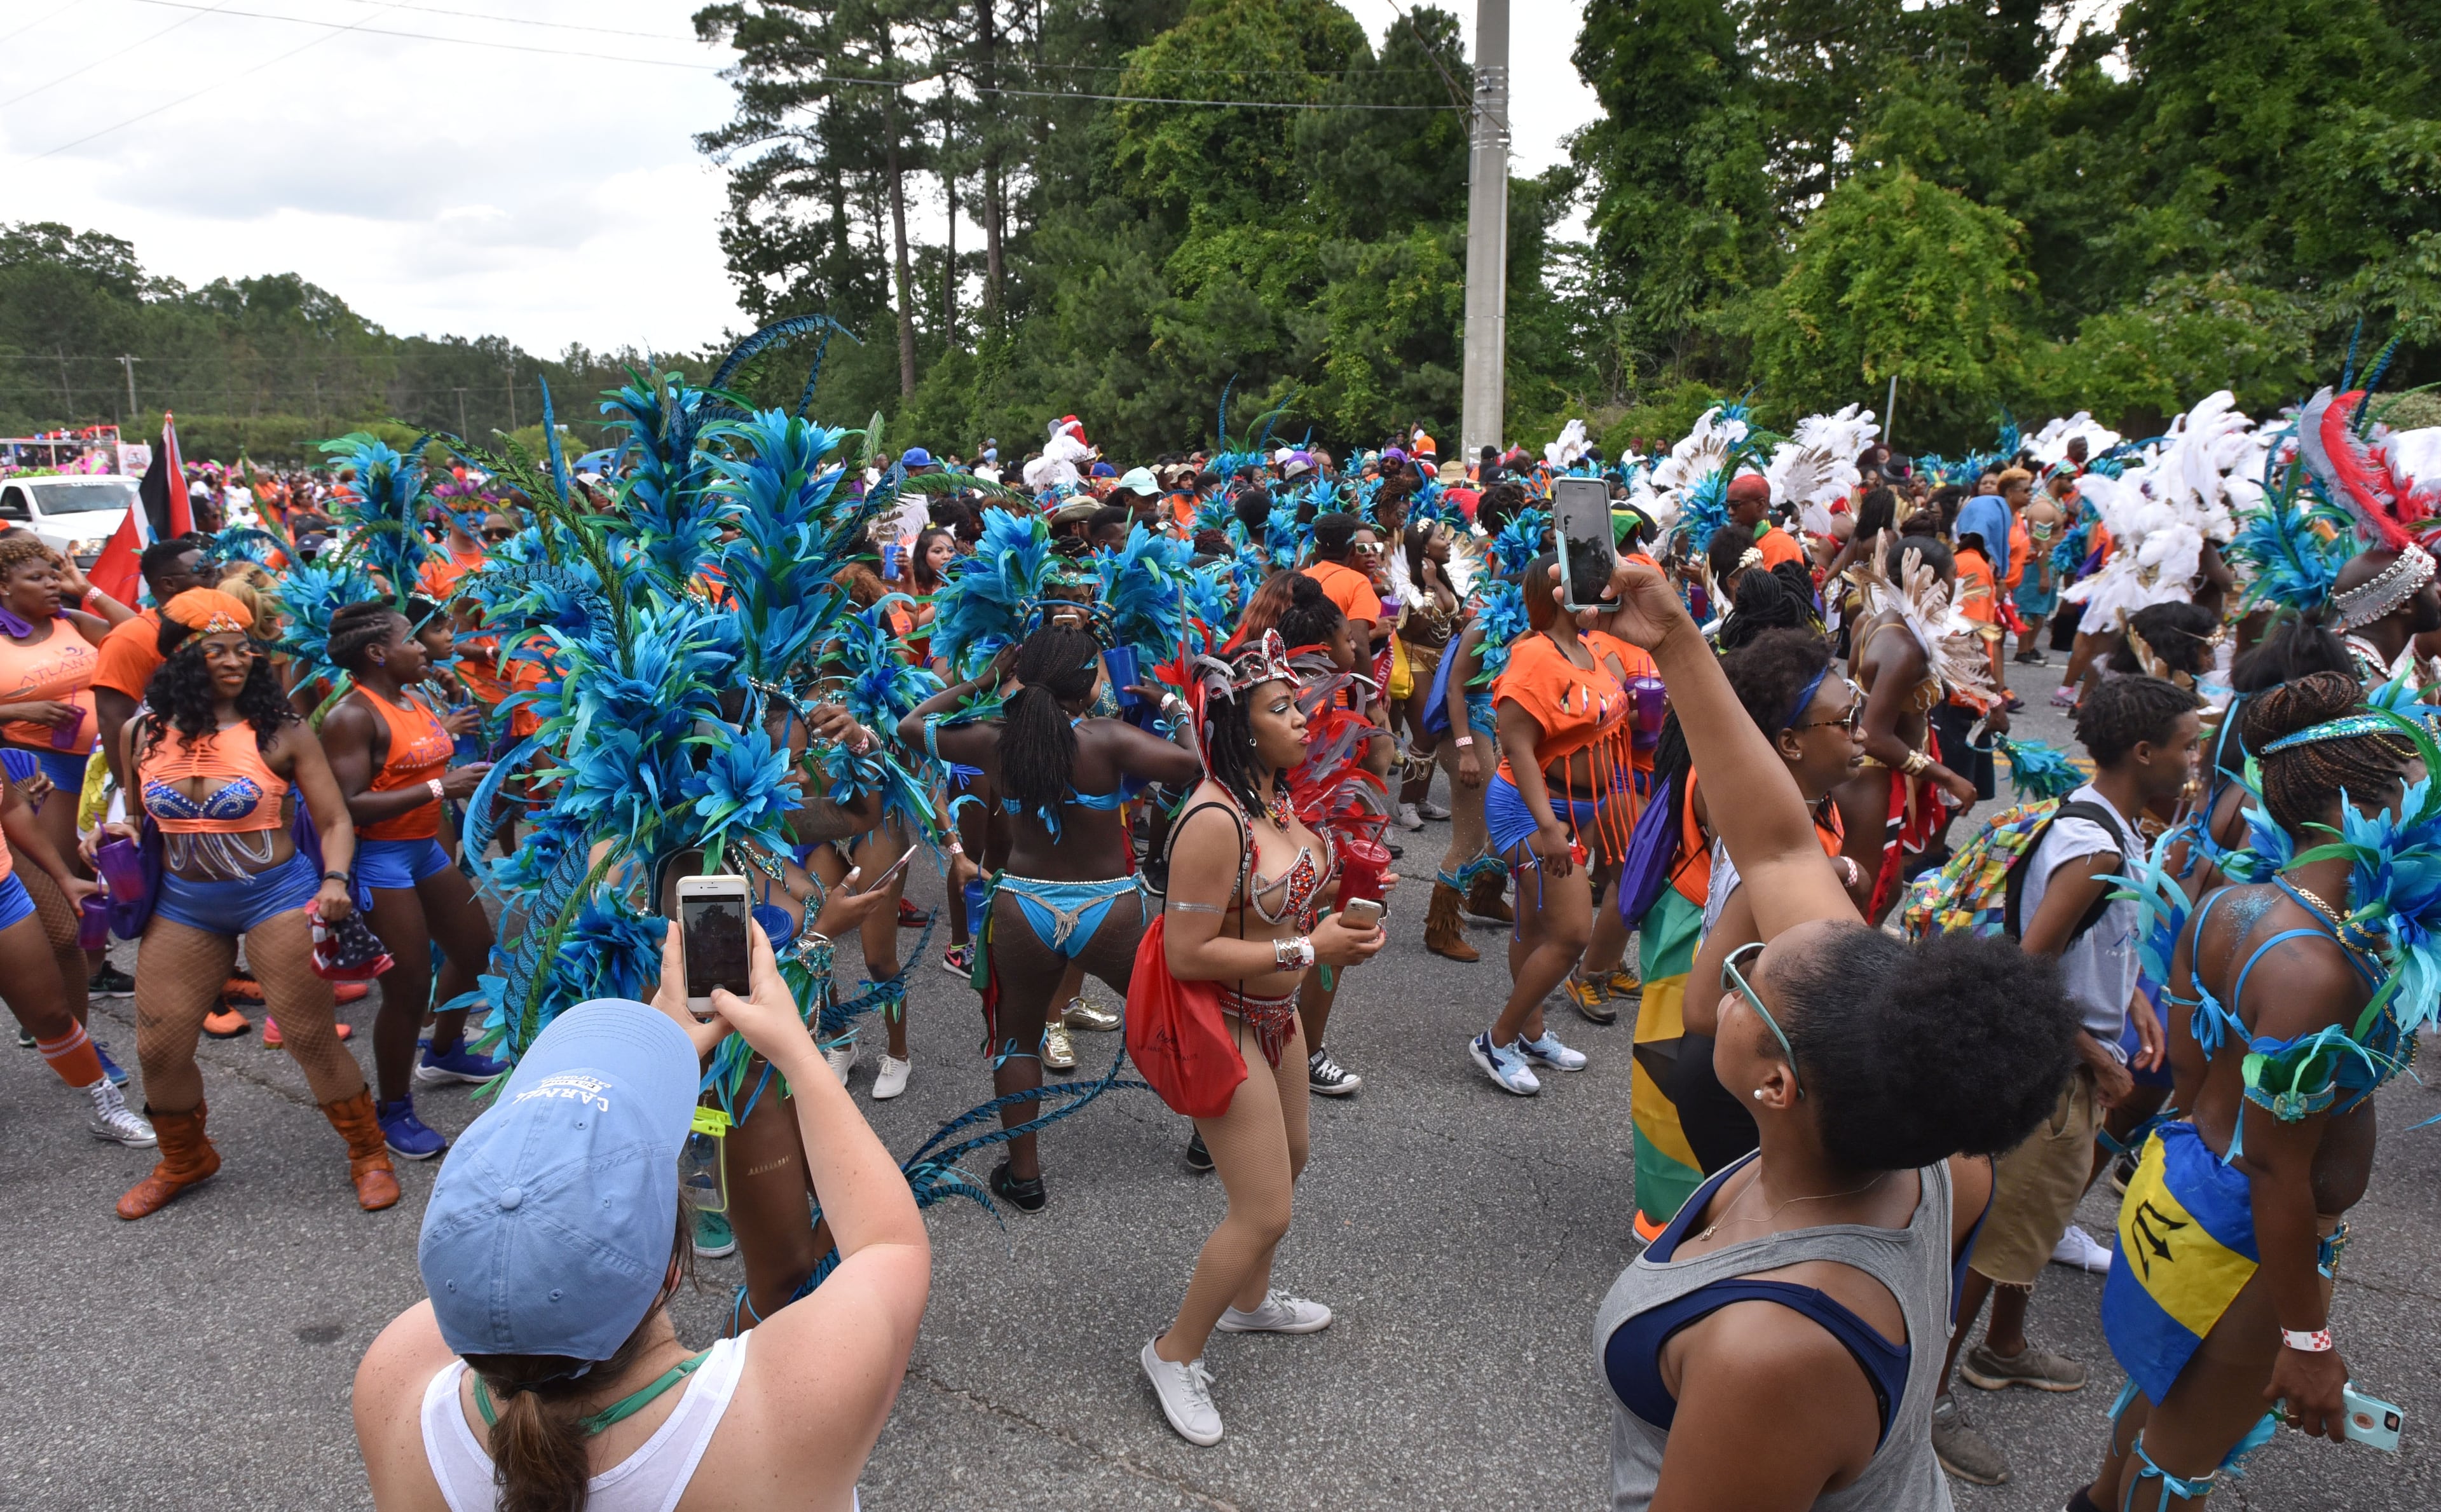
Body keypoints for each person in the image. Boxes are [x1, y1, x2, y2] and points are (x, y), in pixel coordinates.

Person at [1582, 553, 2081, 1512]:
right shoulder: (1939, 1152)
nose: (1728, 974)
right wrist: (1682, 640)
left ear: (1776, 1083)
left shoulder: (1768, 1350)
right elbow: (1774, 842)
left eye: (1745, 985)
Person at [352, 926, 929, 1512]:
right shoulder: (782, 1416)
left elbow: (518, 1261)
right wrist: (799, 1054)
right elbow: (888, 1245)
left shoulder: (395, 1384)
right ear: (674, 1268)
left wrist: (660, 1055)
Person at [2070, 673, 2425, 1512]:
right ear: (2358, 801)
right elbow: (2276, 1167)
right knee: (2180, 1463)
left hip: (2185, 1176)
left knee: (2156, 1403)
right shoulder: (2317, 966)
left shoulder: (2233, 902)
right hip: (2251, 1238)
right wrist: (2308, 1338)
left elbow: (2192, 1069)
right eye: (2416, 783)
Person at [1931, 676, 2200, 1488]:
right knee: (1989, 1241)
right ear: (2144, 752)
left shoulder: (2107, 822)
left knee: (2036, 1219)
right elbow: (2026, 967)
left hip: (2072, 1055)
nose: (2194, 763)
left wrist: (2132, 1010)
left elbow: (2096, 949)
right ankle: (1929, 1402)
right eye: (2186, 747)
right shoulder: (2099, 850)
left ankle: (2004, 1349)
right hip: (2050, 1072)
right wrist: (2092, 1048)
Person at [1142, 630, 1386, 1445]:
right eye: (1281, 709)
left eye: (1298, 703)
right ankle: (1173, 1353)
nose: (1304, 720)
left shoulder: (1275, 801)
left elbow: (1278, 909)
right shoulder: (1214, 820)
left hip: (1277, 1017)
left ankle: (1249, 1305)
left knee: (1296, 1157)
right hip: (1225, 1019)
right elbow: (1187, 953)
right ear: (1241, 729)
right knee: (1264, 1209)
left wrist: (1328, 926)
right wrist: (1309, 948)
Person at [898, 625, 1201, 1209]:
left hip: (1024, 907)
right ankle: (1207, 1135)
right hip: (1109, 907)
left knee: (1018, 1037)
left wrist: (984, 681)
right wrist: (1172, 704)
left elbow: (910, 726)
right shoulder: (1109, 738)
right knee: (1169, 1016)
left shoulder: (994, 740)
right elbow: (1189, 765)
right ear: (1088, 685)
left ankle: (1026, 1177)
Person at [108, 589, 385, 1218]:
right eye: (217, 651)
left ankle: (368, 1153)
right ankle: (186, 1158)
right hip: (183, 906)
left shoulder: (281, 731)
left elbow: (335, 820)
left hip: (276, 898)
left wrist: (335, 880)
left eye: (245, 649)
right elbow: (135, 813)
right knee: (158, 1045)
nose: (236, 660)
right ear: (180, 659)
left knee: (310, 1037)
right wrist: (118, 834)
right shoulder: (140, 733)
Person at [1673, 630, 1868, 1176]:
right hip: (1741, 1085)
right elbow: (1702, 1008)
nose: (1864, 734)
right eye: (1846, 722)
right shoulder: (1760, 851)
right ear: (1791, 744)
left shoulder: (1800, 814)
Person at [319, 601, 504, 1161]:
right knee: (406, 990)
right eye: (412, 640)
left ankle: (445, 1050)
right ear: (378, 652)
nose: (424, 647)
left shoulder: (411, 697)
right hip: (381, 860)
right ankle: (393, 1107)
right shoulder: (350, 716)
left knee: (475, 949)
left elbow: (417, 759)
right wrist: (438, 790)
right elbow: (349, 804)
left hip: (425, 850)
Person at [1470, 553, 1653, 1095]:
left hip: (1578, 807)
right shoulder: (1533, 655)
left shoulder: (1588, 649)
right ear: (1559, 592)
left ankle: (1530, 1032)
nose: (1607, 588)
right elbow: (1518, 746)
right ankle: (1497, 1040)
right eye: (1595, 582)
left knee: (1537, 923)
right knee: (1572, 933)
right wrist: (1550, 827)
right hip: (1535, 810)